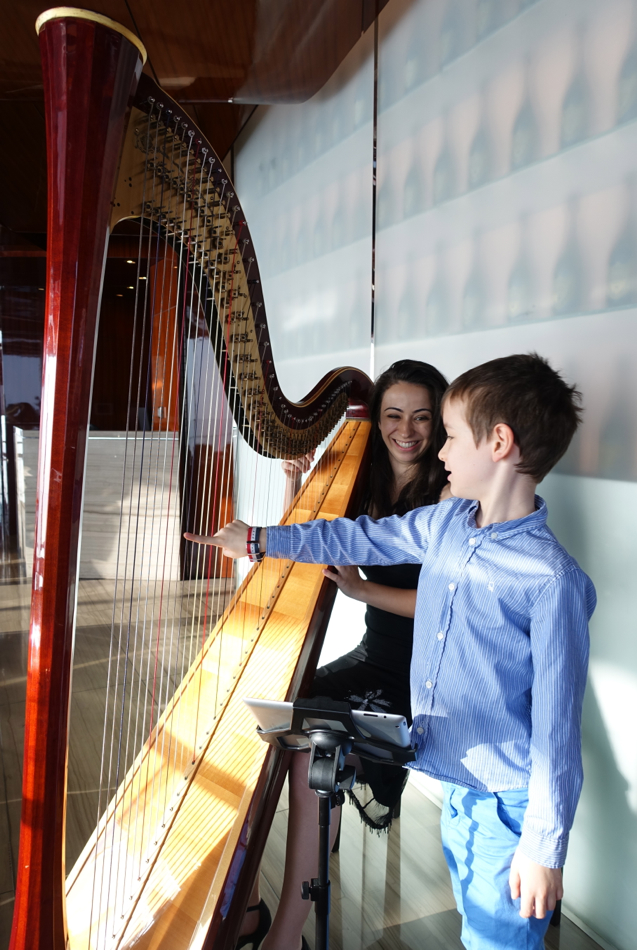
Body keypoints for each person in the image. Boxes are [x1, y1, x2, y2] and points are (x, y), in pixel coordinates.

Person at [205, 353, 597, 950]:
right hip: (460, 788)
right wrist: (261, 539)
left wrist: (544, 848)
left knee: (498, 940)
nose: (439, 451)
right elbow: (355, 534)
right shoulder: (444, 525)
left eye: (451, 437)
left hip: (508, 805)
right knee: (477, 930)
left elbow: (557, 729)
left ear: (498, 443)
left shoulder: (551, 580)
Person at [243, 359, 450, 950]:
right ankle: (250, 905)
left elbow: (445, 603)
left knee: (313, 758)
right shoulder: (363, 476)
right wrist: (297, 481)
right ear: (377, 417)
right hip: (372, 653)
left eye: (421, 417)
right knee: (263, 728)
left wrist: (363, 589)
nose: (405, 430)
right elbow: (317, 537)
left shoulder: (451, 490)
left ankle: (286, 939)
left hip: (422, 673)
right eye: (392, 415)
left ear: (440, 422)